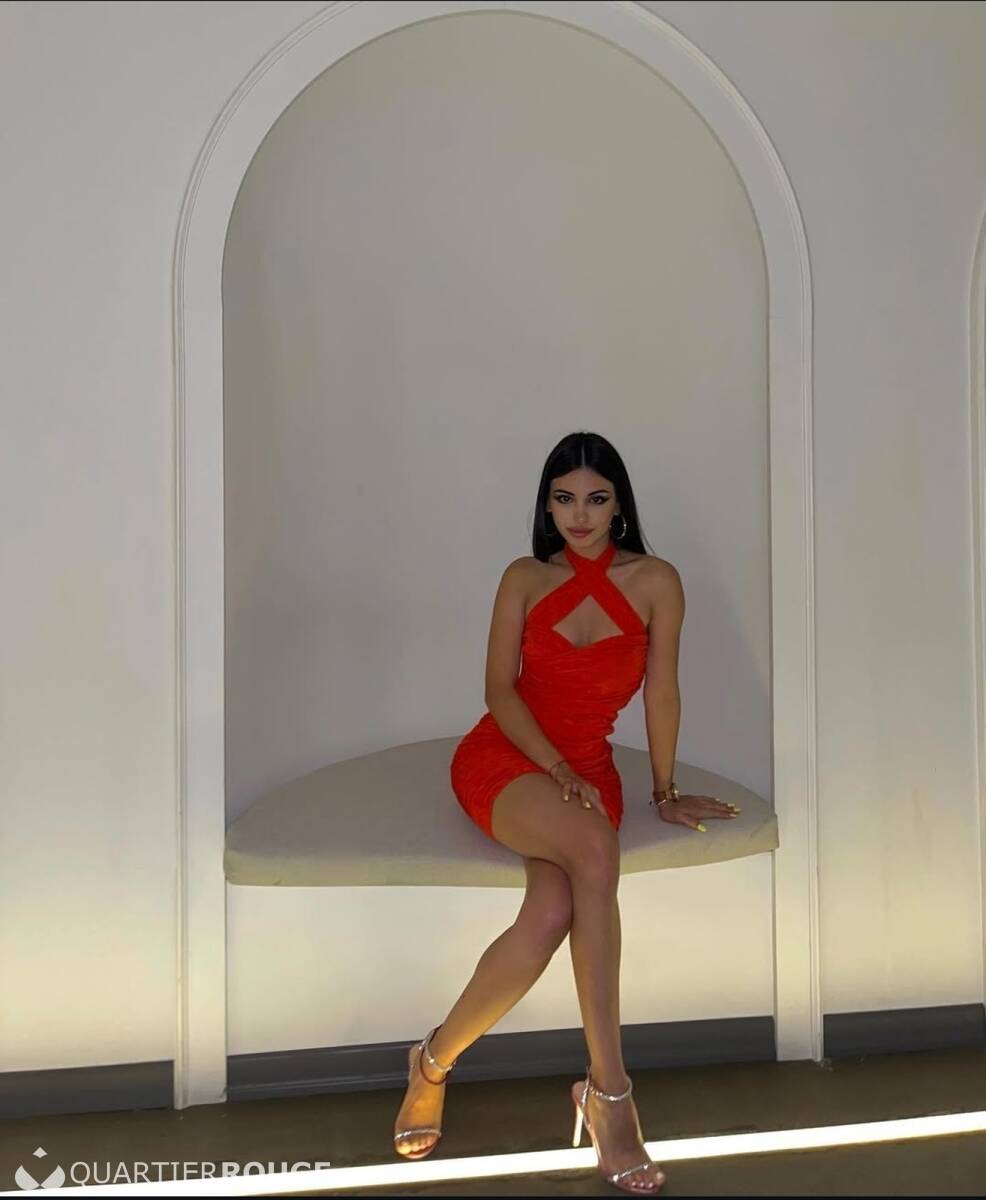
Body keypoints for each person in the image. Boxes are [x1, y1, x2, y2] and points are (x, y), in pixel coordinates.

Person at [393, 431, 738, 1193]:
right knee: (595, 853)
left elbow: (663, 690)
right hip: (508, 757)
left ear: (619, 505)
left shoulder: (657, 581)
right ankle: (612, 1096)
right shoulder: (524, 577)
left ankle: (433, 1060)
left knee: (551, 912)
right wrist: (552, 767)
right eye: (563, 499)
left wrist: (665, 791)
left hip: (587, 769)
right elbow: (499, 691)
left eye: (595, 498)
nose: (579, 515)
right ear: (546, 506)